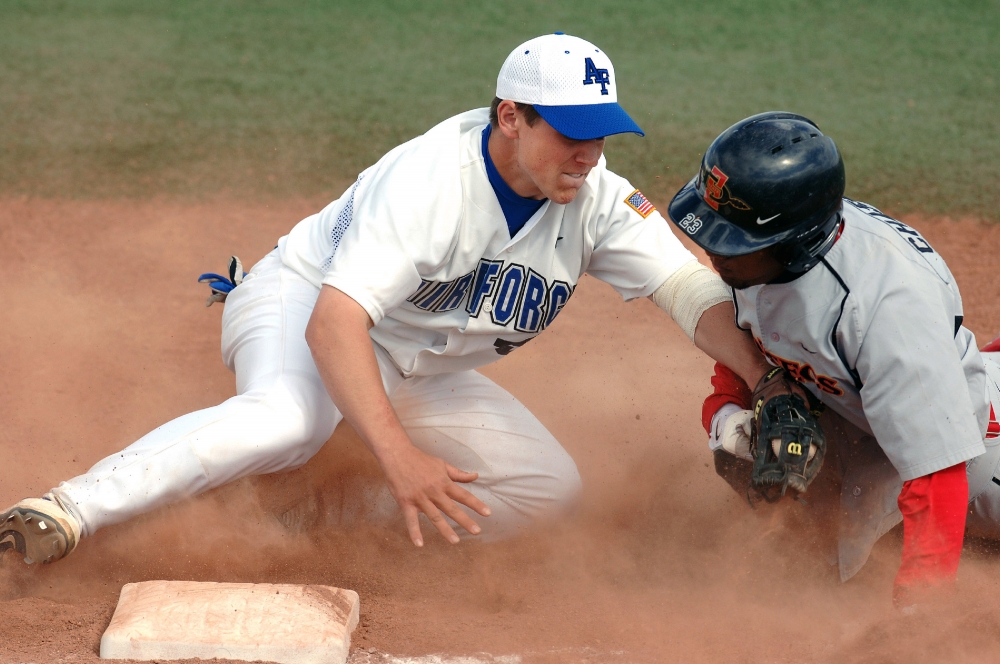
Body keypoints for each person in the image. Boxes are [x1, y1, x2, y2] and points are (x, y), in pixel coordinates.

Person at [1, 33, 769, 566]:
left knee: (546, 489)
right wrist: (399, 457)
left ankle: (310, 516)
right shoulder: (432, 183)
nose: (587, 154)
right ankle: (68, 510)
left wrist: (768, 379)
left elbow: (688, 289)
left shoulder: (594, 196)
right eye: (570, 133)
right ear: (510, 117)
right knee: (292, 419)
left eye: (600, 135)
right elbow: (336, 326)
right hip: (304, 308)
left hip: (412, 364)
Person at [667, 111, 1000, 605]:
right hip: (864, 417)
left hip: (970, 437)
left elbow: (938, 474)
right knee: (766, 480)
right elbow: (750, 341)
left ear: (796, 241)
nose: (714, 253)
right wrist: (731, 419)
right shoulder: (764, 258)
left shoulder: (884, 311)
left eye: (732, 241)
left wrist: (918, 616)